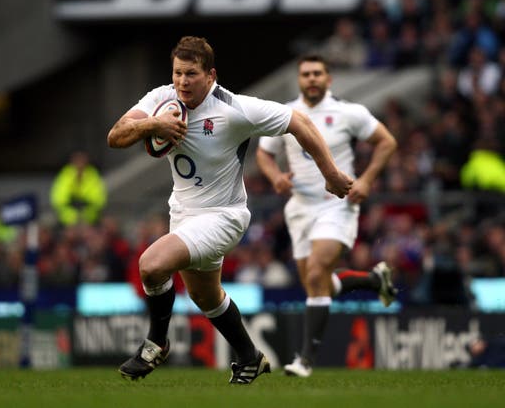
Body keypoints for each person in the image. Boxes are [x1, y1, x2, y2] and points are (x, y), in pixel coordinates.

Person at [107, 37, 353, 384]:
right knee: (206, 297)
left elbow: (299, 122)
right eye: (178, 73)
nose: (182, 81)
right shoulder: (161, 99)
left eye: (191, 73)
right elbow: (115, 136)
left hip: (224, 216)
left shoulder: (234, 109)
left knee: (151, 265)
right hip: (183, 213)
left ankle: (156, 342)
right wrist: (153, 125)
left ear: (211, 75)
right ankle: (250, 357)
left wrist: (330, 172)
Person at [256, 54, 398, 378]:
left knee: (319, 271)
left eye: (318, 73)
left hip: (337, 203)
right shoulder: (286, 114)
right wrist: (275, 176)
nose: (312, 79)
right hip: (299, 208)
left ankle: (304, 360)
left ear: (329, 79)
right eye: (306, 74)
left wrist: (365, 180)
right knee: (317, 285)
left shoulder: (348, 112)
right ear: (299, 80)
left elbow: (387, 142)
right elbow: (264, 153)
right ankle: (374, 280)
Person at [50, 151, 108, 226]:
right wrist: (72, 207)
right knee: (70, 234)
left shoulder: (93, 175)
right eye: (77, 160)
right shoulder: (65, 174)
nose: (80, 163)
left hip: (89, 219)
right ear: (72, 162)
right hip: (67, 220)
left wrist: (85, 205)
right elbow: (58, 199)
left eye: (82, 160)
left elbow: (99, 199)